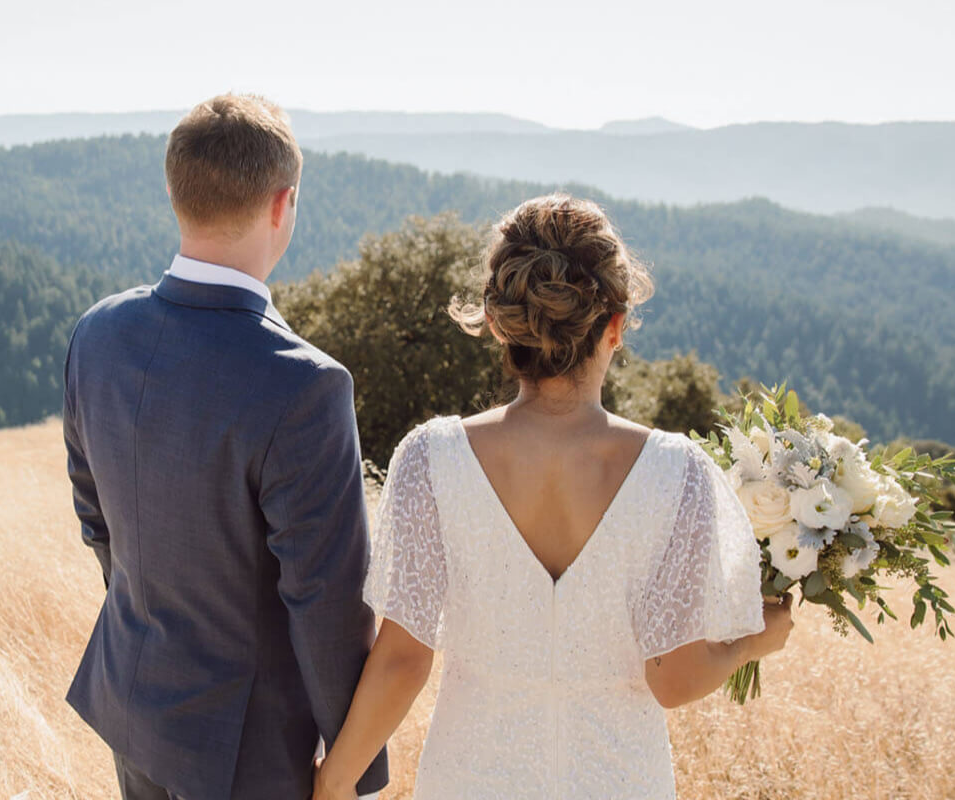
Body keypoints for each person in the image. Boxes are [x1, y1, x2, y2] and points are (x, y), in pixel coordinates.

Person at [312, 193, 796, 798]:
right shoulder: (680, 472)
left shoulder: (429, 460)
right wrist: (757, 639)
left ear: (496, 324)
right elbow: (675, 680)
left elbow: (403, 659)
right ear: (617, 328)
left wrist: (334, 782)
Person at [61, 93, 390, 800]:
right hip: (248, 749)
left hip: (131, 702)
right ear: (284, 204)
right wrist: (354, 768)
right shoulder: (304, 384)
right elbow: (328, 599)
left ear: (178, 195)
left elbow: (95, 517)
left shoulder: (97, 331)